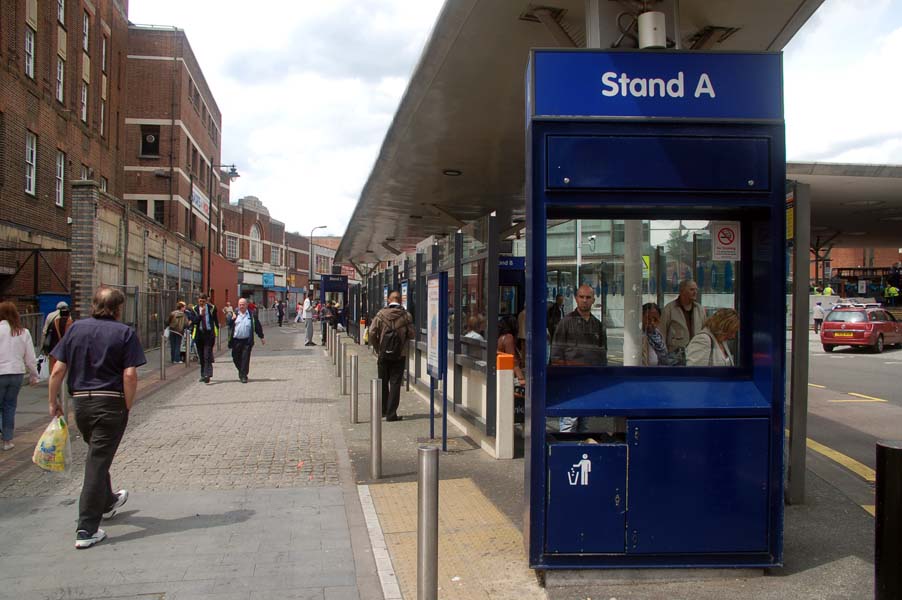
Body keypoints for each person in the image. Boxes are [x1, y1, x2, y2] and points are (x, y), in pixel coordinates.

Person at [48, 287, 146, 549]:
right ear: (117, 309)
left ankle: (108, 501)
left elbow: (57, 369)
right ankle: (86, 527)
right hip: (110, 402)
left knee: (96, 454)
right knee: (97, 462)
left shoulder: (76, 330)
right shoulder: (124, 332)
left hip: (81, 403)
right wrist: (127, 404)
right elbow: (129, 375)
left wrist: (53, 401)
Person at [550, 284, 607, 433]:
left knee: (585, 423)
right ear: (576, 299)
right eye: (581, 297)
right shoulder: (566, 323)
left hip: (589, 381)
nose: (585, 300)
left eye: (588, 297)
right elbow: (556, 352)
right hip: (570, 380)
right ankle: (565, 451)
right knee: (569, 421)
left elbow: (602, 354)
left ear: (594, 300)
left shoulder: (598, 325)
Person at [369, 290, 415, 422]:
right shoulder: (406, 316)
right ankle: (391, 413)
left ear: (389, 300)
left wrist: (378, 348)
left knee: (382, 382)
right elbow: (412, 334)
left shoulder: (380, 314)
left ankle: (383, 410)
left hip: (383, 354)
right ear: (400, 301)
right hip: (399, 355)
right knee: (395, 383)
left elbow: (372, 333)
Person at [0, 302, 39, 451]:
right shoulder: (23, 332)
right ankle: (7, 441)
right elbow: (30, 357)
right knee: (10, 406)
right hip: (17, 372)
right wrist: (34, 375)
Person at [659, 279, 706, 354]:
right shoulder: (669, 309)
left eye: (696, 290)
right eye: (692, 290)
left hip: (696, 354)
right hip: (676, 356)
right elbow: (662, 333)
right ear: (682, 291)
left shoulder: (700, 309)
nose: (695, 292)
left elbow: (704, 332)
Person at [227, 298, 265, 383]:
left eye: (243, 304)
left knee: (245, 358)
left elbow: (257, 326)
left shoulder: (251, 315)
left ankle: (244, 375)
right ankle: (242, 371)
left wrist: (261, 337)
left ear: (246, 305)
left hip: (247, 341)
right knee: (235, 358)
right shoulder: (234, 314)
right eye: (240, 304)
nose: (241, 306)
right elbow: (228, 324)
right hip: (236, 340)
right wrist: (232, 319)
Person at [186, 294, 218, 384]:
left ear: (206, 300)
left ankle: (208, 374)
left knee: (207, 354)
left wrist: (215, 332)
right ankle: (203, 374)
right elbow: (194, 321)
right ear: (198, 300)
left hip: (209, 334)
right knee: (201, 356)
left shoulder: (212, 308)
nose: (202, 303)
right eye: (200, 301)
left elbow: (215, 321)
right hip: (199, 334)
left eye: (203, 301)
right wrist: (200, 315)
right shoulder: (194, 309)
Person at [497, 316, 525, 386]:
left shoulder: (500, 338)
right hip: (509, 378)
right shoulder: (508, 338)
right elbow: (514, 363)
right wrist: (522, 379)